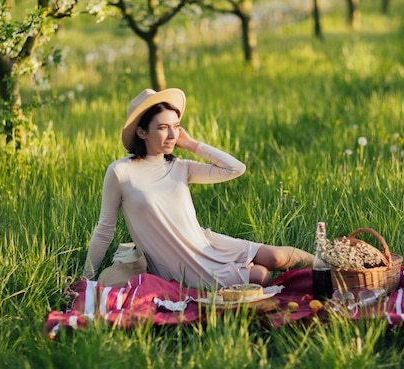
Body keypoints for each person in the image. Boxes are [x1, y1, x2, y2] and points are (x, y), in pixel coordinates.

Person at [83, 88, 315, 289]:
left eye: (176, 126)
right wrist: (87, 278)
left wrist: (192, 144)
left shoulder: (180, 167)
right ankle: (244, 271)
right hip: (181, 265)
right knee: (260, 275)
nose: (173, 134)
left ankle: (333, 264)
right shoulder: (121, 172)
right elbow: (104, 230)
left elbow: (235, 168)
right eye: (163, 127)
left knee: (277, 256)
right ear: (142, 132)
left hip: (206, 244)